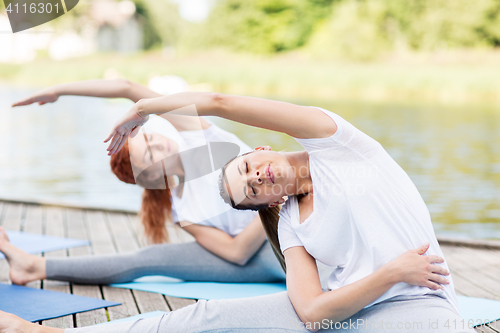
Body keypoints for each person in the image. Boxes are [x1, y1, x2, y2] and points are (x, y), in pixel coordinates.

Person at [0, 92, 473, 333]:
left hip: (420, 307)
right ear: (264, 206)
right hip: (355, 309)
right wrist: (389, 273)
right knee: (206, 316)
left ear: (261, 150)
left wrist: (141, 106)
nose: (257, 177)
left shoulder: (341, 146)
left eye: (248, 167)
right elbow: (311, 312)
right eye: (250, 190)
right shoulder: (289, 223)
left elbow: (221, 103)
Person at [0, 80, 285, 288]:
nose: (159, 142)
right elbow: (237, 253)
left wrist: (59, 90)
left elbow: (128, 89)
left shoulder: (199, 135)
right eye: (150, 155)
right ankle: (34, 266)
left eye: (148, 138)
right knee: (146, 258)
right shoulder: (182, 211)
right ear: (150, 177)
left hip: (294, 222)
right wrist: (276, 204)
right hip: (265, 253)